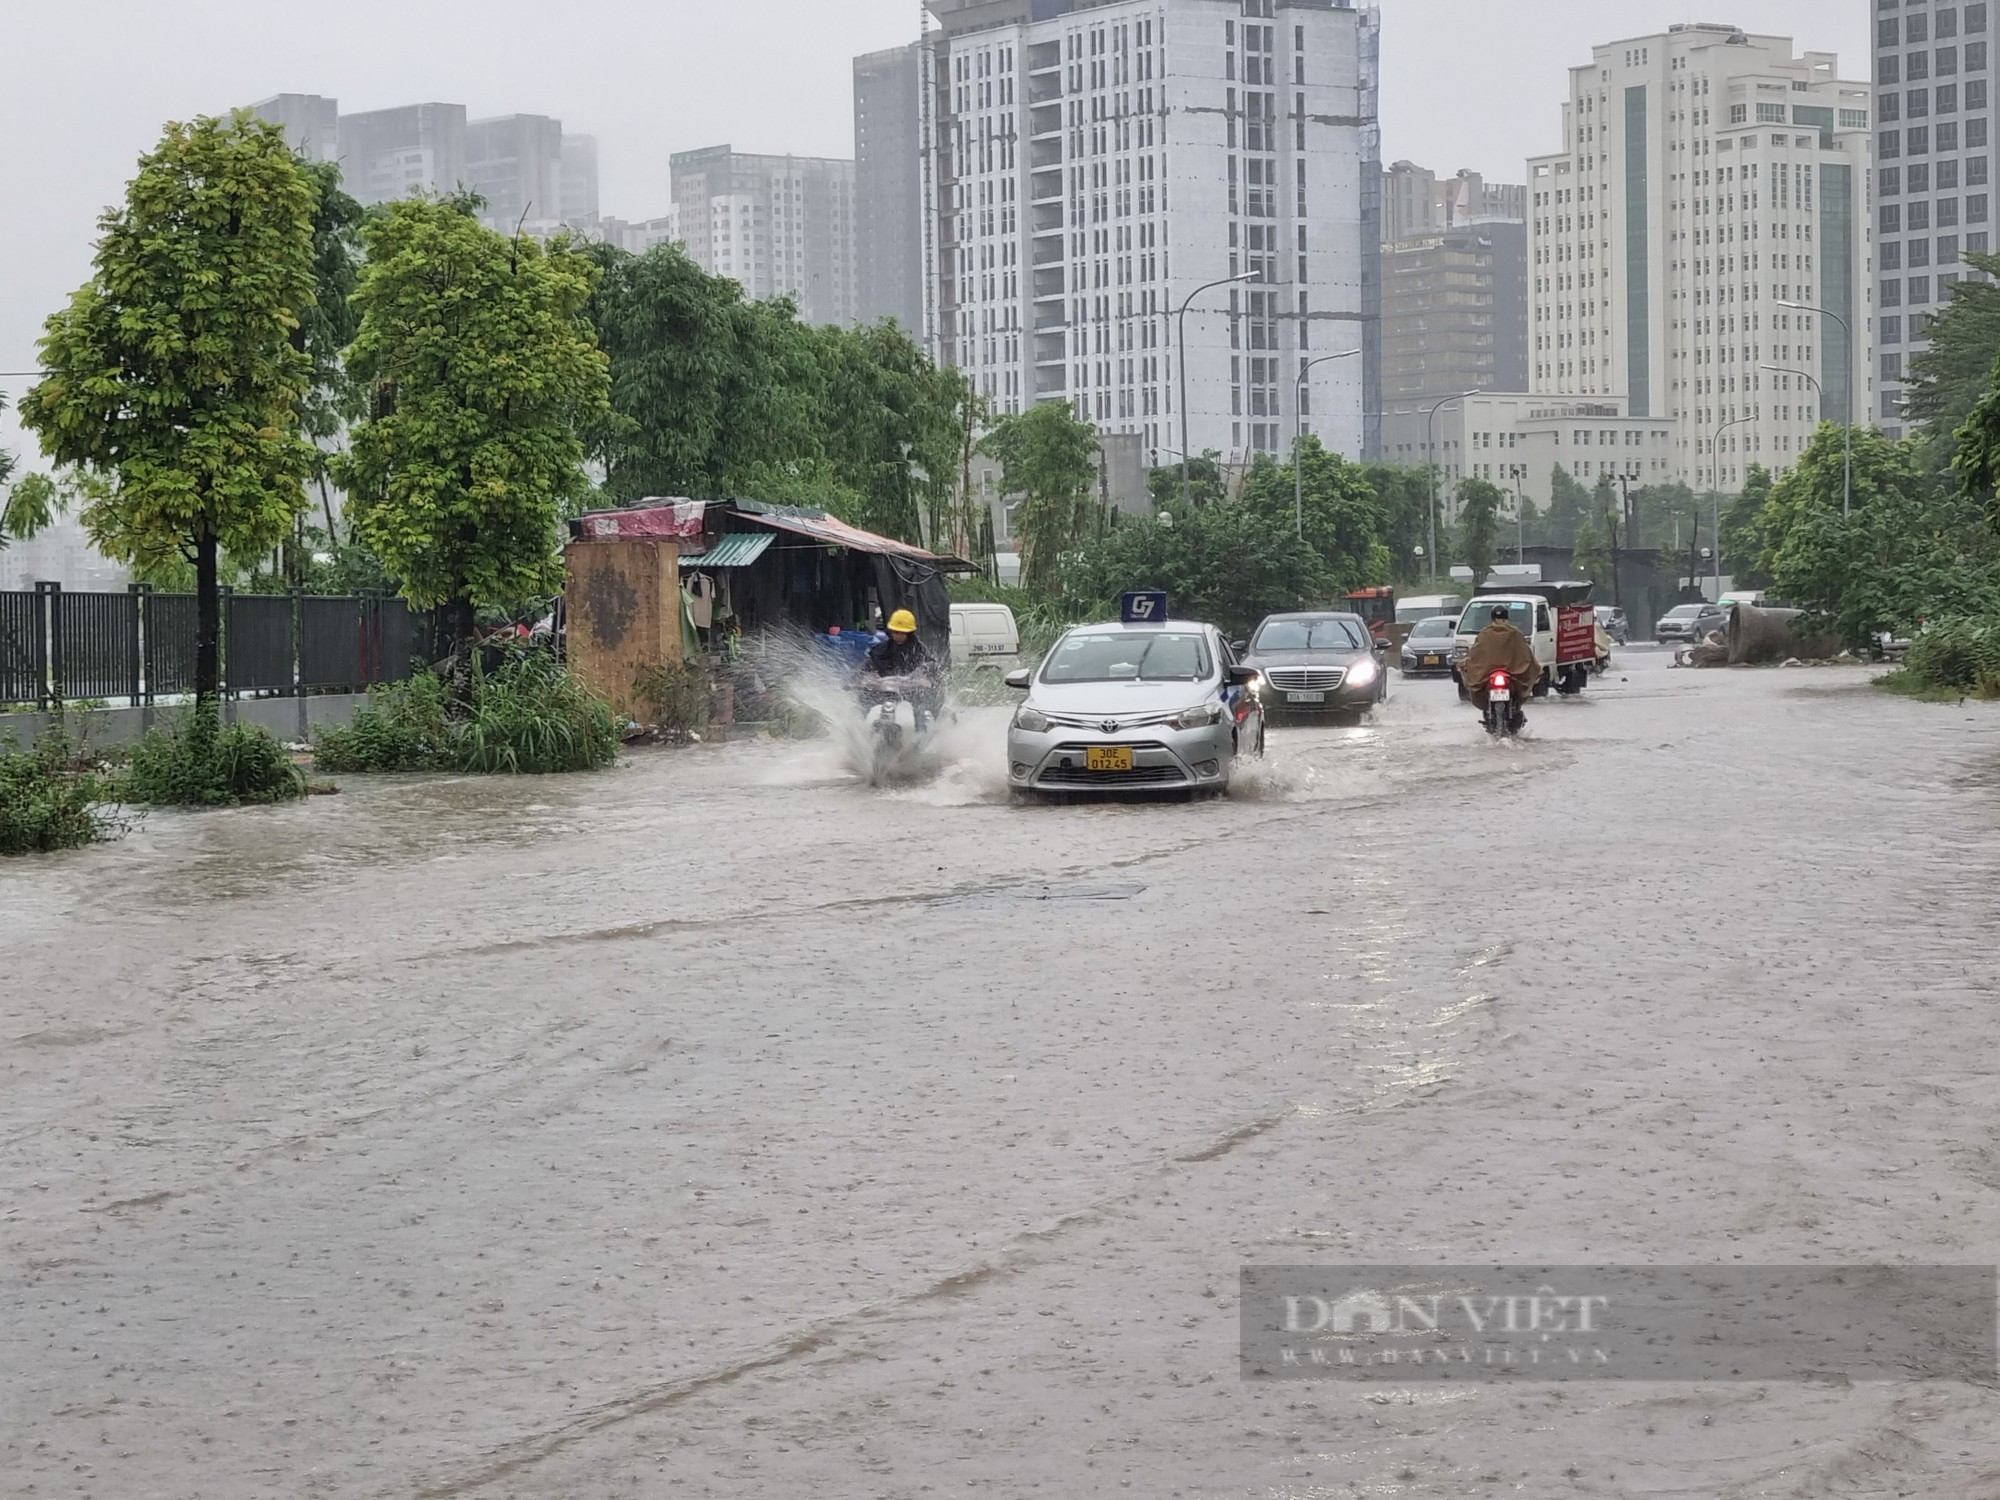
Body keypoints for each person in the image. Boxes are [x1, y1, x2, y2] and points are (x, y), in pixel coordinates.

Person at [860, 608, 942, 729]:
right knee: (862, 704)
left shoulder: (919, 651)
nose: (898, 636)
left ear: (909, 633)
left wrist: (925, 677)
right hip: (885, 693)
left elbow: (930, 667)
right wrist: (859, 680)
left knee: (920, 711)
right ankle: (862, 734)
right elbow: (866, 667)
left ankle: (919, 739)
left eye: (902, 633)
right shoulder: (880, 650)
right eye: (896, 632)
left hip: (912, 694)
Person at [1461, 605, 1539, 728]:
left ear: (1492, 618)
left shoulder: (1484, 633)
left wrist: (1465, 664)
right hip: (1511, 676)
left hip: (1488, 676)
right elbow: (1525, 655)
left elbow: (1475, 654)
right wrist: (1535, 668)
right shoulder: (1515, 633)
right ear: (1507, 618)